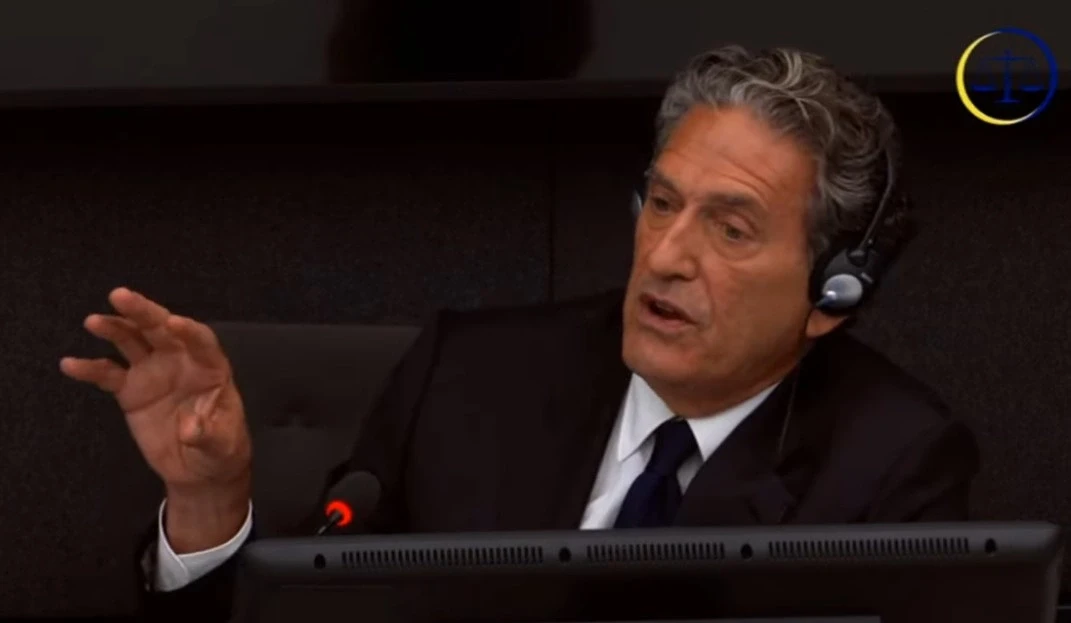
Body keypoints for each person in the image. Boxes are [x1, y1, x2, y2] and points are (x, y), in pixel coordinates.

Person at [60, 45, 979, 620]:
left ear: (833, 290)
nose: (664, 255)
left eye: (730, 229)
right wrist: (211, 500)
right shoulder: (468, 375)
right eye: (661, 203)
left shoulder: (891, 462)